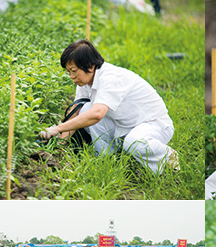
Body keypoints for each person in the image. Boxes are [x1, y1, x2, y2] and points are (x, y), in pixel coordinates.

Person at [38, 40, 179, 173]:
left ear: (90, 65)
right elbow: (76, 113)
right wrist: (60, 146)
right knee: (85, 109)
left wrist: (56, 129)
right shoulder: (84, 82)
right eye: (68, 72)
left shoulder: (110, 77)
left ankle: (167, 156)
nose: (71, 76)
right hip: (124, 126)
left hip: (153, 124)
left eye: (73, 71)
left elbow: (97, 114)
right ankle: (107, 161)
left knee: (134, 142)